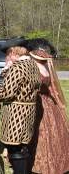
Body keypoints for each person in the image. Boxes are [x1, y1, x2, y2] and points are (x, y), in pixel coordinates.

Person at [0, 37, 41, 174]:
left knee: (15, 148)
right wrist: (7, 70)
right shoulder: (33, 65)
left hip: (16, 113)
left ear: (14, 52)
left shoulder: (17, 67)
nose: (7, 57)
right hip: (30, 110)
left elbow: (6, 93)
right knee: (23, 146)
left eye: (8, 53)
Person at [26, 38, 69, 174]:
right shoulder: (47, 64)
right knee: (55, 136)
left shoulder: (35, 65)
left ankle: (43, 165)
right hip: (50, 104)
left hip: (40, 103)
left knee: (42, 136)